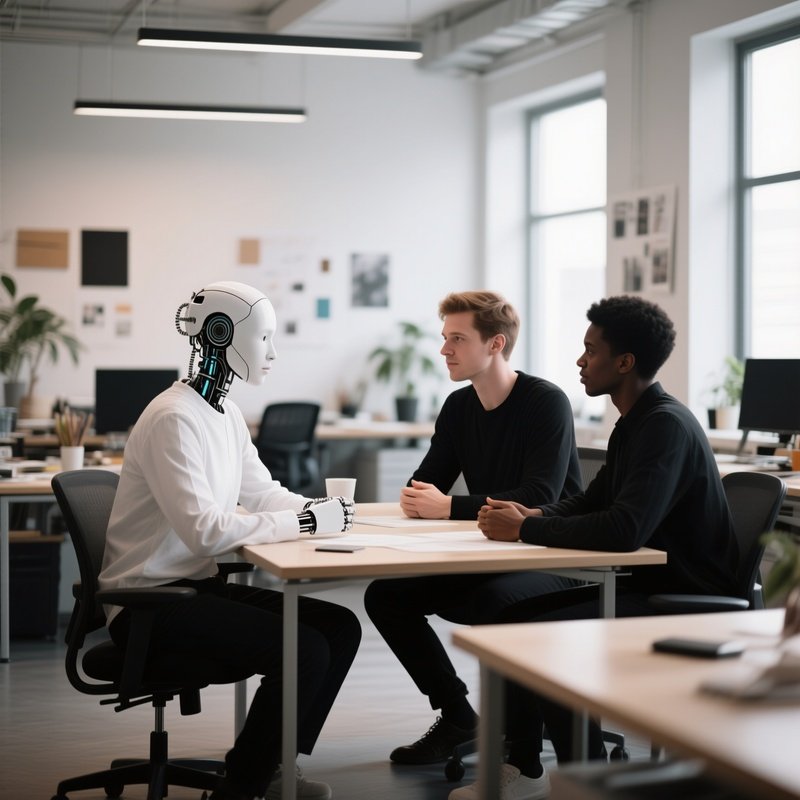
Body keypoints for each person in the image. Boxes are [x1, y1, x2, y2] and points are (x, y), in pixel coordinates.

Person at [459, 295, 739, 800]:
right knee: (508, 618)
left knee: (541, 636)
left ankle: (584, 782)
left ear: (625, 362)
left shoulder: (665, 426)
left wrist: (523, 531)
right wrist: (532, 515)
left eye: (591, 350)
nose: (580, 360)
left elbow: (622, 529)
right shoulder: (635, 422)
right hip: (645, 581)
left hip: (684, 595)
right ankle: (530, 768)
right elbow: (592, 501)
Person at [99, 281, 362, 800]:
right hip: (151, 604)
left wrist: (319, 511)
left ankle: (273, 766)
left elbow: (263, 494)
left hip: (193, 587)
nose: (273, 352)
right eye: (264, 338)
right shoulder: (174, 418)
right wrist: (309, 526)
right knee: (305, 649)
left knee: (339, 626)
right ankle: (243, 786)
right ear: (221, 334)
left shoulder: (224, 413)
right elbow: (207, 531)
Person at [363, 290, 582, 766]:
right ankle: (460, 716)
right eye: (445, 338)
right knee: (385, 595)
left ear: (495, 344)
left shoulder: (546, 403)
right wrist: (425, 500)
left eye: (457, 339)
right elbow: (424, 485)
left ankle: (519, 753)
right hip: (492, 551)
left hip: (555, 556)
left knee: (494, 602)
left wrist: (448, 508)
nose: (444, 350)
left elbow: (540, 497)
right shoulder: (459, 407)